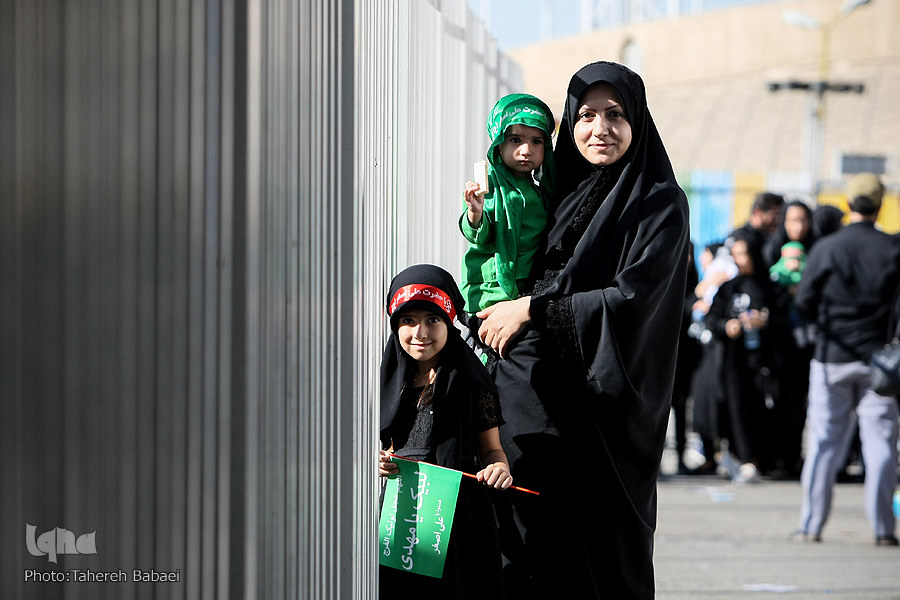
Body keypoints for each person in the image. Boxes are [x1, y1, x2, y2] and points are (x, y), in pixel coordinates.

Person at [476, 61, 690, 598]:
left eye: (615, 114)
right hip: (531, 398)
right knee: (526, 547)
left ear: (636, 120)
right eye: (587, 115)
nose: (600, 129)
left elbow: (634, 300)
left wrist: (532, 310)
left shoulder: (659, 202)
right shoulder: (557, 189)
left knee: (601, 554)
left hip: (605, 414)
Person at [377, 264, 514, 597]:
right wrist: (381, 460)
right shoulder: (387, 381)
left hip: (454, 516)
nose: (420, 332)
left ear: (449, 321)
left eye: (432, 320)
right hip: (401, 513)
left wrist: (498, 468)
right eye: (408, 321)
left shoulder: (471, 382)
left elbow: (492, 450)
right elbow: (385, 444)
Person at [792, 173, 900, 546]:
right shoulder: (892, 247)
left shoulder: (827, 248)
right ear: (880, 205)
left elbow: (804, 302)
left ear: (848, 203)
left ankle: (811, 526)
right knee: (881, 444)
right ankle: (884, 529)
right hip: (881, 363)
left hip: (831, 357)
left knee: (823, 443)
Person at [460, 93, 557, 367]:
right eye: (515, 140)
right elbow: (478, 235)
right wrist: (475, 212)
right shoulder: (489, 186)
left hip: (525, 291)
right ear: (498, 142)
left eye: (536, 141)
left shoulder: (542, 192)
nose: (526, 150)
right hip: (490, 292)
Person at [705, 233, 776, 482]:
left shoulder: (768, 286)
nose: (740, 260)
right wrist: (727, 326)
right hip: (734, 360)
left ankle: (767, 459)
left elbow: (782, 317)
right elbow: (712, 318)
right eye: (736, 255)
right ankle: (745, 458)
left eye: (744, 254)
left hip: (764, 359)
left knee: (765, 407)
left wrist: (765, 322)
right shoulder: (729, 288)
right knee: (737, 408)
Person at [765, 200, 817, 477]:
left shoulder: (817, 251)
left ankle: (793, 456)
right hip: (776, 339)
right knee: (776, 398)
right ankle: (774, 456)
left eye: (804, 220)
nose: (799, 226)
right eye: (793, 220)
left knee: (798, 400)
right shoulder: (771, 251)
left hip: (806, 340)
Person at [732, 192, 785, 260]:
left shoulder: (771, 237)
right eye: (774, 215)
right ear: (757, 212)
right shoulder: (741, 237)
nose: (778, 220)